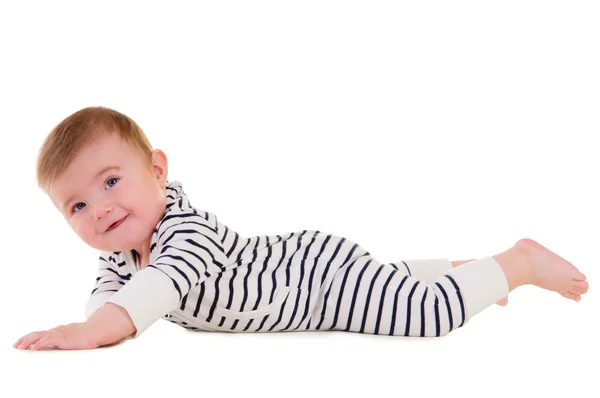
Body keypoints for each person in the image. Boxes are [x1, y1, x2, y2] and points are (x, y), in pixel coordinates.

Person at [13, 106, 589, 350]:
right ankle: (465, 269)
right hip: (305, 268)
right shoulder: (124, 248)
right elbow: (110, 298)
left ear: (158, 171)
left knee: (422, 316)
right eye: (77, 207)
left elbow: (153, 292)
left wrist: (89, 334)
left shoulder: (182, 233)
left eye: (110, 182)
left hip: (310, 284)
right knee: (384, 280)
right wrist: (94, 326)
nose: (101, 211)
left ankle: (519, 262)